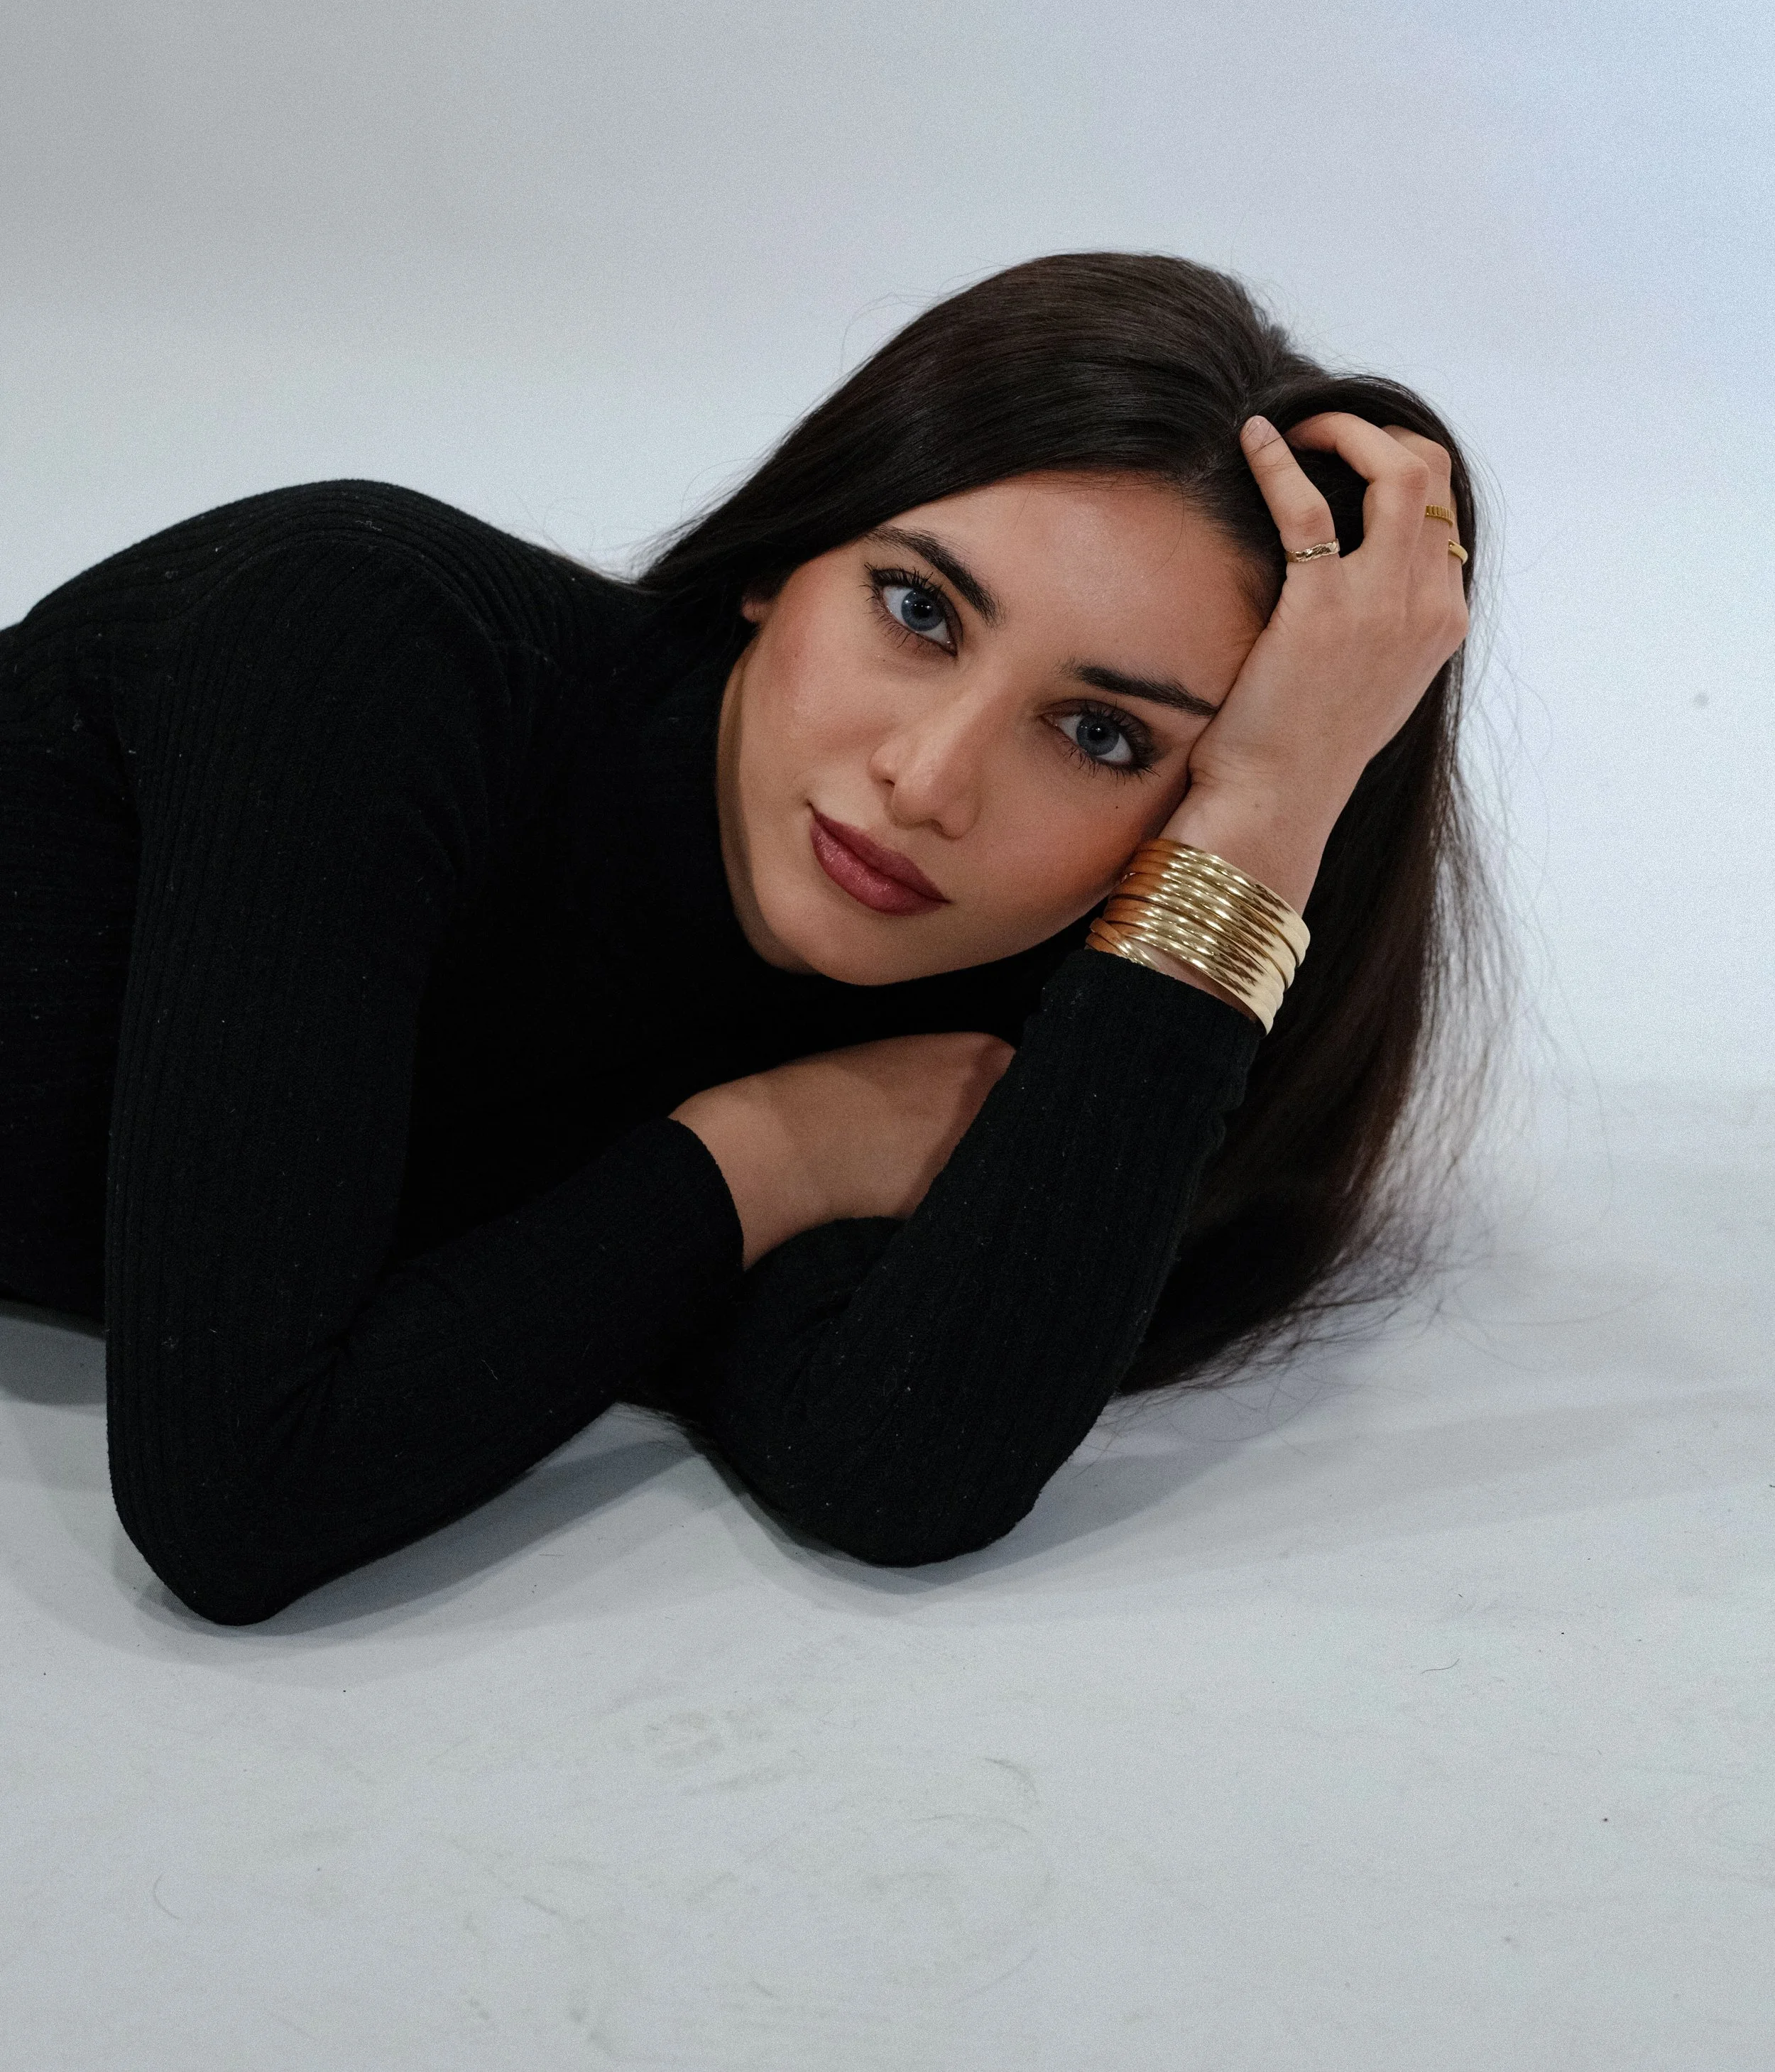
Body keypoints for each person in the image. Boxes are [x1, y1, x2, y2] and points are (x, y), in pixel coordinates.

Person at [0, 253, 1486, 1625]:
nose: (929, 779)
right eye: (915, 610)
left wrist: (1273, 811)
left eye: (1098, 735)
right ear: (787, 554)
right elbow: (236, 1502)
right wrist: (770, 1157)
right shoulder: (364, 648)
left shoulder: (925, 1002)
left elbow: (888, 1468)